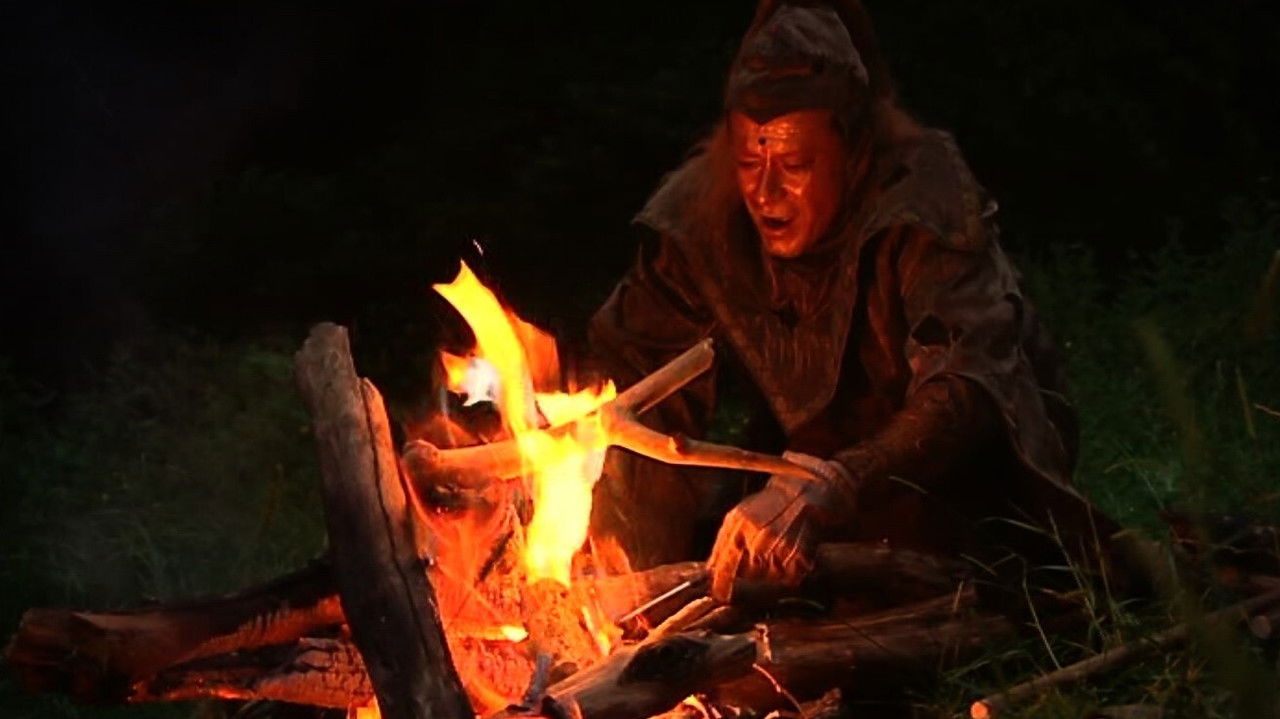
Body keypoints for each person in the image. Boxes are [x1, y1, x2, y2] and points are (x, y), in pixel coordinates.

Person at [588, 0, 1125, 604]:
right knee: (706, 560)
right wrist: (626, 568)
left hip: (942, 476)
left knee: (925, 574)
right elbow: (638, 389)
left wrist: (836, 484)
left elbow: (967, 384)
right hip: (795, 465)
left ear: (852, 152)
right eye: (748, 162)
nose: (765, 191)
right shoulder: (701, 220)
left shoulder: (921, 204)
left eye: (795, 164)